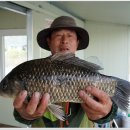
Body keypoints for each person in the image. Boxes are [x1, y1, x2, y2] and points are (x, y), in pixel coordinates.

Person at [13, 16, 118, 127]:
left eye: (70, 36)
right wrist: (24, 115)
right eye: (58, 36)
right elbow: (20, 110)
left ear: (77, 42)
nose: (64, 41)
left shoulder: (89, 72)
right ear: (49, 41)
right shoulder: (33, 70)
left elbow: (111, 110)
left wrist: (106, 113)